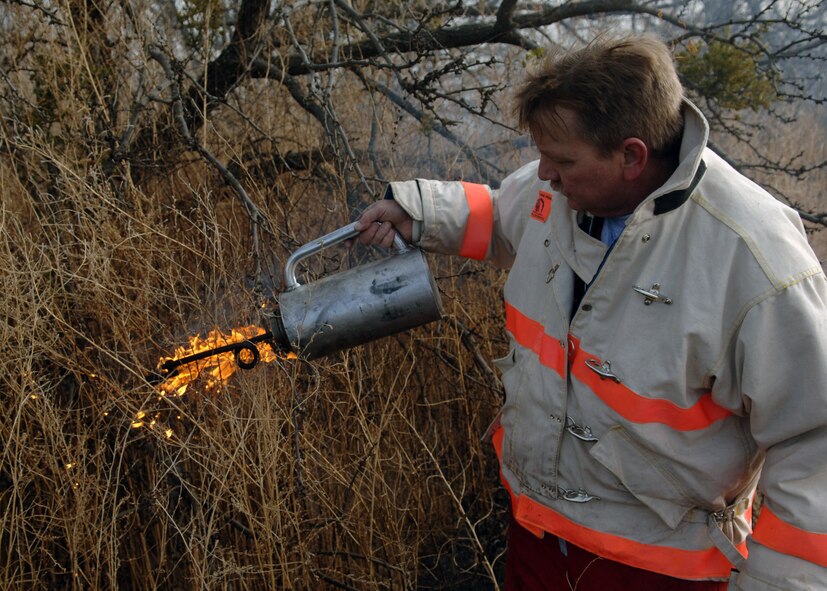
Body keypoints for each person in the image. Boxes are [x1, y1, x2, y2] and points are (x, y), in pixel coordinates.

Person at [353, 35, 827, 590]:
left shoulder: (755, 258)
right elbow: (502, 213)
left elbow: (814, 443)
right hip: (536, 535)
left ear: (632, 156)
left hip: (661, 570)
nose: (545, 175)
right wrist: (418, 213)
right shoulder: (563, 190)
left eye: (563, 161)